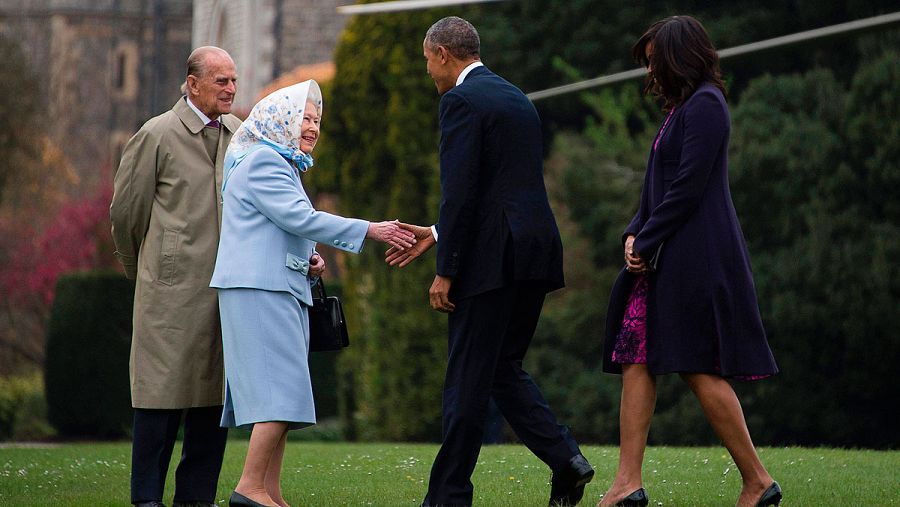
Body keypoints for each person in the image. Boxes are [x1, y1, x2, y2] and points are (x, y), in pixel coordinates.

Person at [385, 16, 594, 507]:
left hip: (491, 263)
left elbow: (460, 192)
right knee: (501, 368)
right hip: (534, 254)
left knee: (466, 379)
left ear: (442, 54)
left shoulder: (459, 101)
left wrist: (446, 270)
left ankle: (448, 496)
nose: (428, 72)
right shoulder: (516, 98)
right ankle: (566, 459)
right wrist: (437, 233)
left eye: (427, 61)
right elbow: (499, 188)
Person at [597, 16, 781, 507]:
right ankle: (627, 482)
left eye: (655, 60)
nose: (650, 71)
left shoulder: (706, 105)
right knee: (635, 355)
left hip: (696, 259)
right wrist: (633, 233)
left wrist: (647, 240)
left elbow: (688, 187)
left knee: (698, 367)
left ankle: (758, 481)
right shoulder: (681, 109)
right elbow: (656, 186)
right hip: (664, 258)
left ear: (679, 57)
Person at [209, 79, 415, 507]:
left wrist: (309, 259)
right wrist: (370, 229)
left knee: (284, 394)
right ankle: (249, 488)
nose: (312, 127)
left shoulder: (277, 162)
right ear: (280, 119)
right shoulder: (265, 162)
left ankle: (269, 493)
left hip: (274, 286)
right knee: (279, 394)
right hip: (260, 290)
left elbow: (279, 227)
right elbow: (301, 218)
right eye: (303, 118)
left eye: (317, 120)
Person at [110, 46, 240, 507]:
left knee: (213, 400)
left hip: (226, 290)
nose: (231, 88)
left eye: (233, 80)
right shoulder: (157, 134)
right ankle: (147, 498)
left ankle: (196, 498)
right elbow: (126, 213)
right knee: (159, 397)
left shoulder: (239, 135)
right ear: (193, 83)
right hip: (168, 291)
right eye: (221, 80)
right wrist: (145, 270)